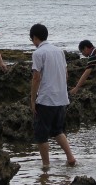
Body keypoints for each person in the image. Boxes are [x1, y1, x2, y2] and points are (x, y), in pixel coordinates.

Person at [29, 23, 76, 170]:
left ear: (35, 38)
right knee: (58, 130)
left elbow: (36, 78)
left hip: (46, 99)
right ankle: (70, 158)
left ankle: (46, 166)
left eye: (32, 39)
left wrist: (32, 100)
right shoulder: (59, 51)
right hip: (61, 98)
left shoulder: (38, 53)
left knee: (41, 134)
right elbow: (66, 74)